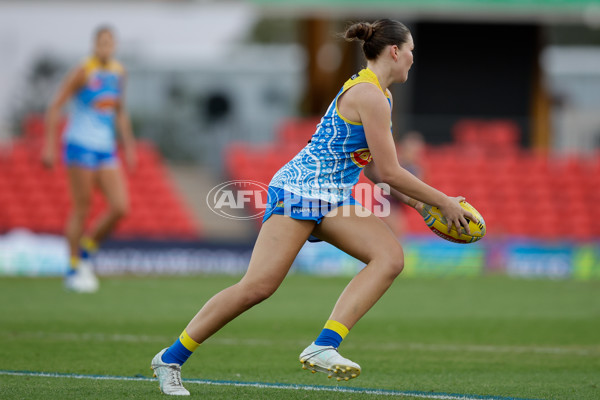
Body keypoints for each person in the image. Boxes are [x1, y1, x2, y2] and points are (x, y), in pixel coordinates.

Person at [150, 19, 476, 396]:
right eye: (412, 52)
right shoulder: (370, 95)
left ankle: (324, 345)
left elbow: (370, 166)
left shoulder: (380, 96)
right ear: (395, 52)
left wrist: (420, 205)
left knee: (389, 258)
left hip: (332, 196)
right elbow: (389, 170)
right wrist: (444, 201)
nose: (413, 60)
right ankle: (170, 358)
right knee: (258, 287)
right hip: (299, 190)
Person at [42, 26, 136, 293]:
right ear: (95, 44)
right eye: (101, 42)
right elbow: (55, 106)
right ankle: (73, 267)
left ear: (115, 45)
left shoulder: (119, 73)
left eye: (110, 42)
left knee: (120, 207)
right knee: (82, 207)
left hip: (106, 147)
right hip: (79, 145)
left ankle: (87, 249)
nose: (106, 47)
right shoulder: (84, 71)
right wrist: (49, 146)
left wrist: (129, 147)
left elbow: (120, 111)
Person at [381, 131, 426, 236]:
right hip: (389, 203)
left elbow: (420, 187)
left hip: (399, 204)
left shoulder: (416, 168)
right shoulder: (396, 164)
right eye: (412, 151)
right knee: (395, 231)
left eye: (417, 152)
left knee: (398, 232)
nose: (414, 155)